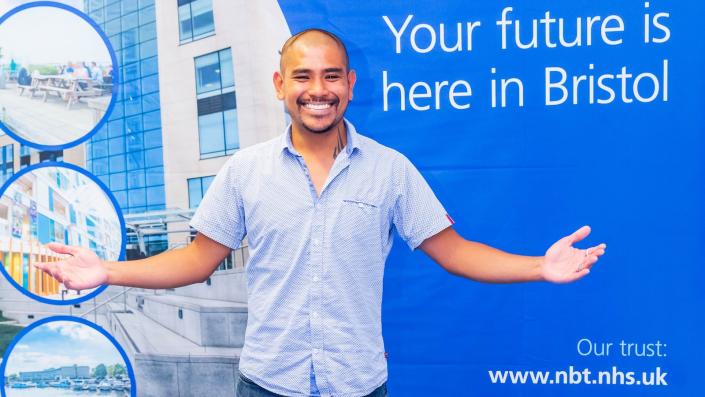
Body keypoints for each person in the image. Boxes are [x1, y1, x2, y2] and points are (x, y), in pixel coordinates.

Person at [35, 29, 606, 397]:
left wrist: (539, 266)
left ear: (350, 85)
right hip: (266, 383)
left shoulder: (390, 169)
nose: (318, 90)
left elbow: (453, 250)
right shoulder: (246, 170)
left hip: (358, 384)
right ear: (282, 85)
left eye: (331, 76)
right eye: (303, 77)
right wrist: (109, 270)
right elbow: (197, 259)